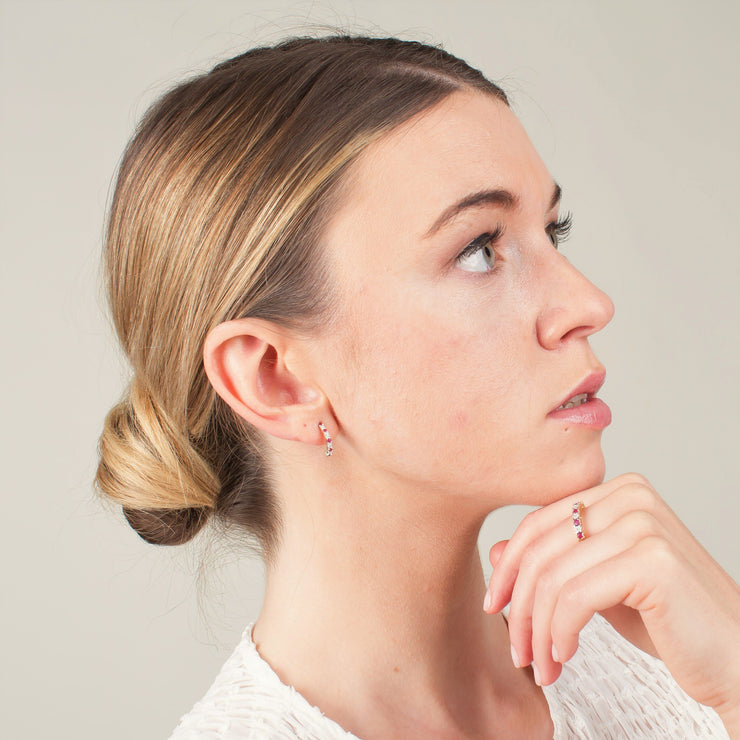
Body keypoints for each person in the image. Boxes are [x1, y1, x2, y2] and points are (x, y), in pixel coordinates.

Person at [95, 35, 740, 738]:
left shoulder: (679, 665)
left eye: (555, 231)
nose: (588, 304)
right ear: (275, 379)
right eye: (480, 249)